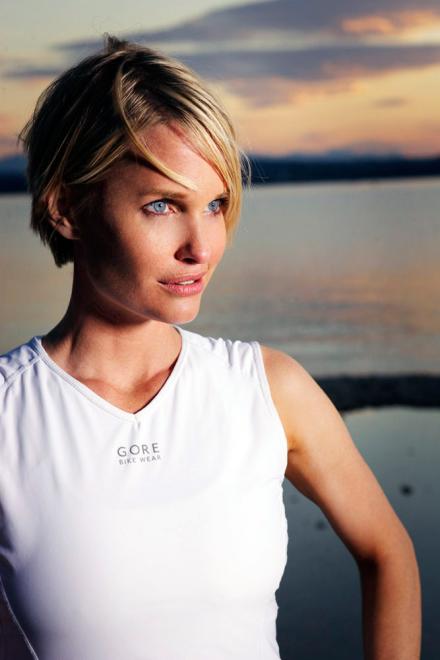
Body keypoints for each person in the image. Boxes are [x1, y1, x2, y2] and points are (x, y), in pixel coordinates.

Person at [0, 34, 421, 660]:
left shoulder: (268, 389)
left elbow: (387, 552)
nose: (201, 247)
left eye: (216, 204)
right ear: (66, 209)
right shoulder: (9, 415)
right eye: (162, 205)